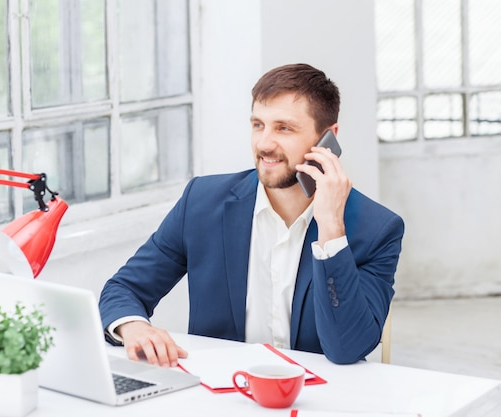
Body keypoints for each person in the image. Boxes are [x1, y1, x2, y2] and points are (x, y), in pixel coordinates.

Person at [99, 63, 404, 367]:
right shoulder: (202, 202)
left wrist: (331, 230)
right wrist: (134, 327)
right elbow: (124, 288)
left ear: (327, 138)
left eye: (284, 128)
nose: (264, 144)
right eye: (258, 125)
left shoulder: (376, 229)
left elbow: (347, 347)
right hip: (221, 396)